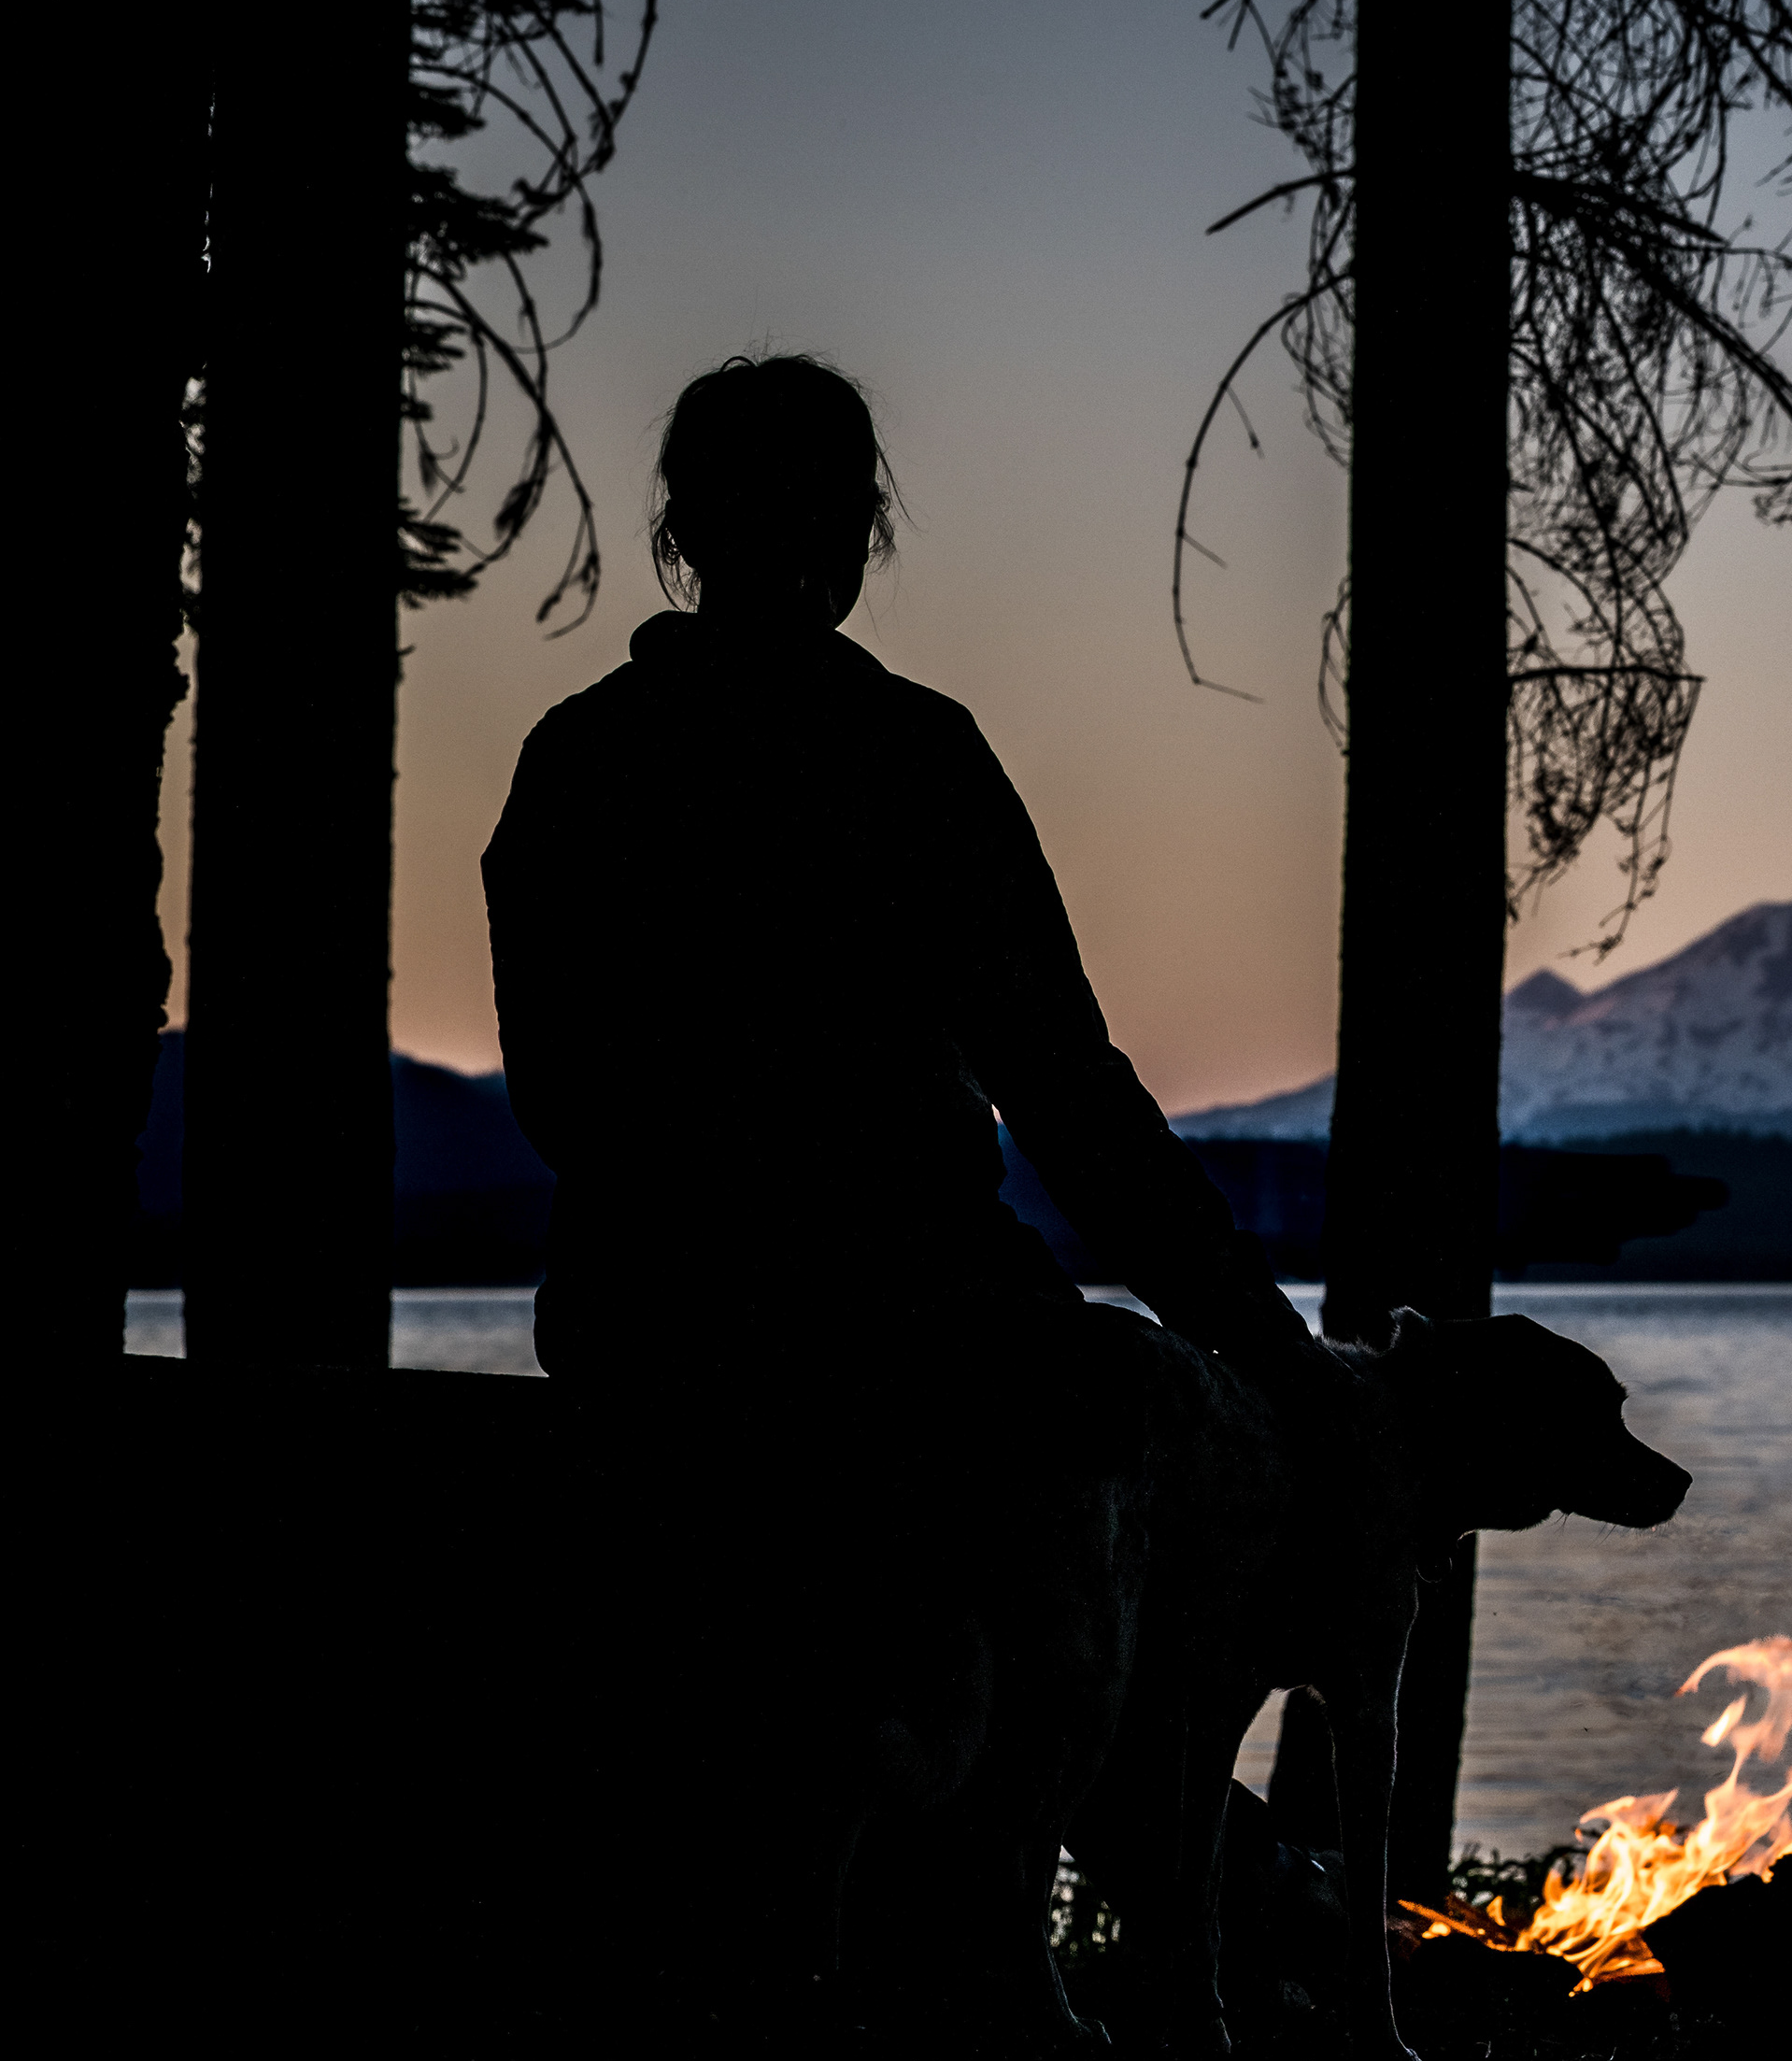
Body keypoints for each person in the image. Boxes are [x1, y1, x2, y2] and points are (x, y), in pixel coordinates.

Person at [483, 354, 1330, 1400]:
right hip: (919, 1318)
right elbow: (1064, 1087)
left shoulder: (579, 760)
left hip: (640, 1324)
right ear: (866, 530)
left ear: (686, 534)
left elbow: (561, 1096)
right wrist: (1266, 1342)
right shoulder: (913, 757)